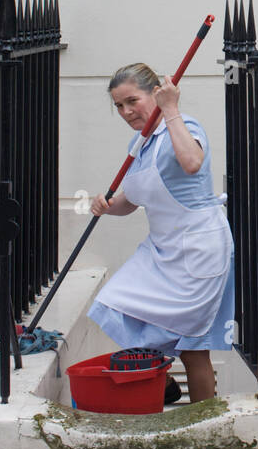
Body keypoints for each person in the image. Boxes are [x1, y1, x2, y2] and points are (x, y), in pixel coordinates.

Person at [87, 63, 234, 405]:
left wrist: (171, 110)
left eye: (131, 101)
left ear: (155, 93)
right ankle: (160, 378)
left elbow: (192, 162)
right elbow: (131, 200)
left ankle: (202, 426)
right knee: (115, 303)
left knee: (194, 350)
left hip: (199, 248)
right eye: (119, 106)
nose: (125, 111)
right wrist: (106, 205)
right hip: (161, 250)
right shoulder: (140, 144)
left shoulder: (183, 126)